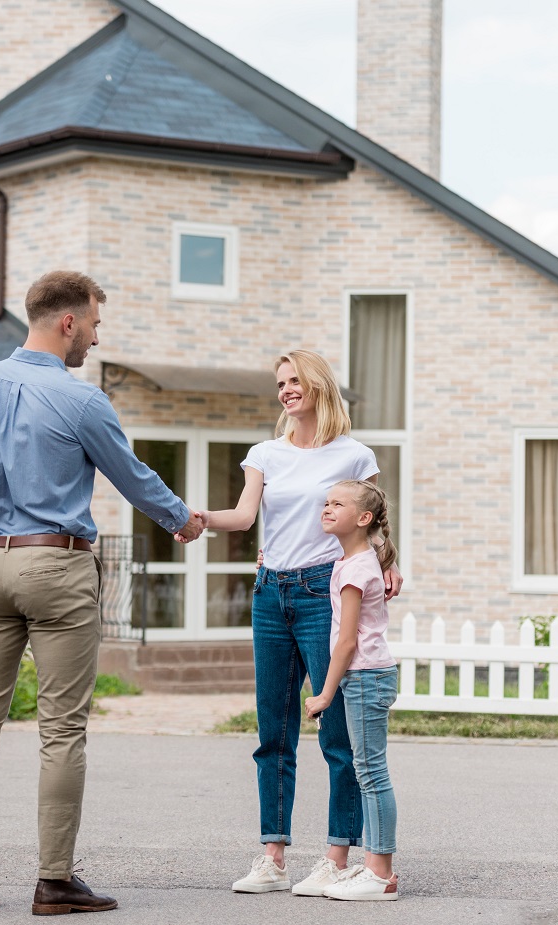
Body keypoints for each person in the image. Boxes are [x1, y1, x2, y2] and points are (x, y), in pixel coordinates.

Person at [0, 270, 203, 916]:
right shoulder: (80, 400)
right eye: (95, 326)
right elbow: (131, 477)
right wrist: (182, 519)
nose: (96, 340)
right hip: (56, 566)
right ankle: (53, 881)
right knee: (62, 729)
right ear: (68, 322)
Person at [187, 349, 402, 897]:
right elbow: (243, 517)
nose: (286, 390)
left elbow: (374, 518)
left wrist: (391, 563)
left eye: (295, 380)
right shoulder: (265, 453)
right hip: (270, 593)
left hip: (323, 592)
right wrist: (198, 518)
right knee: (273, 732)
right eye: (280, 383)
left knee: (337, 736)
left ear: (319, 385)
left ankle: (336, 857)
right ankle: (273, 856)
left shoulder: (354, 454)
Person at [304, 480, 400, 901]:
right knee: (367, 771)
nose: (326, 508)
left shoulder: (359, 567)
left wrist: (324, 694)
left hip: (365, 676)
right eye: (325, 502)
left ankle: (380, 874)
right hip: (363, 676)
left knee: (371, 773)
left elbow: (346, 640)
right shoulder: (352, 560)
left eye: (337, 504)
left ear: (363, 519)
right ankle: (375, 866)